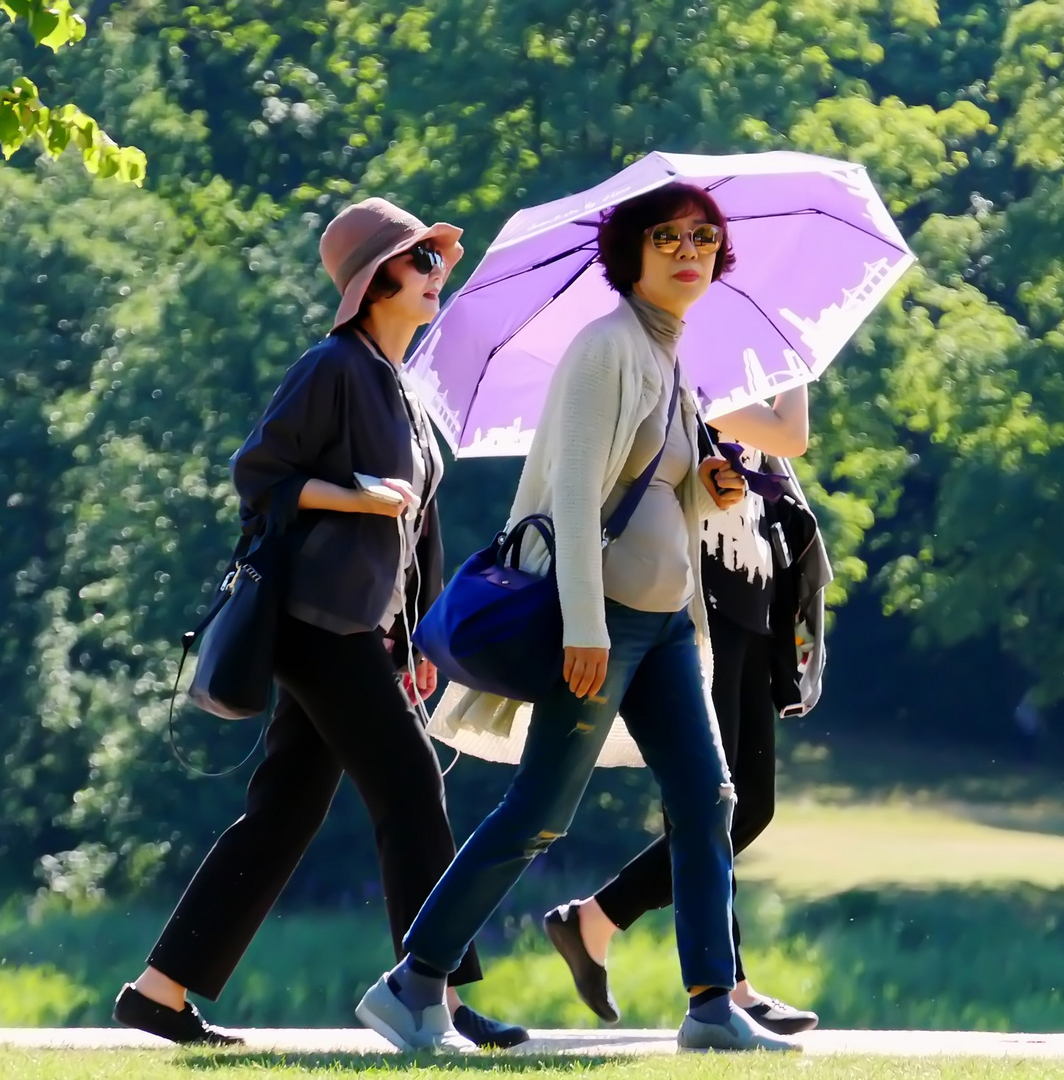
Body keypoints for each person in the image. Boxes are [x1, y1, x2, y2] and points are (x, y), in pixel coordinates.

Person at [356, 183, 803, 1054]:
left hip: (666, 622)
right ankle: (411, 987)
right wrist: (585, 626)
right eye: (668, 236)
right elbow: (570, 488)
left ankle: (712, 1006)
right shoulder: (606, 347)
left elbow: (652, 479)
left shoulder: (668, 352)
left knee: (706, 799)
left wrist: (702, 484)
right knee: (538, 811)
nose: (689, 250)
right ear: (630, 252)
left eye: (704, 238)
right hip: (604, 623)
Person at [111, 197, 525, 1050]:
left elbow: (415, 535)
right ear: (376, 280)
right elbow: (260, 472)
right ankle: (429, 998)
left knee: (285, 812)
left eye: (436, 261)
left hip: (362, 629)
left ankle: (159, 989)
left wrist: (418, 640)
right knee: (411, 787)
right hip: (316, 622)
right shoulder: (332, 367)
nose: (435, 273)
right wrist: (352, 494)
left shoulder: (399, 386)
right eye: (419, 262)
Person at [541, 384, 826, 1034]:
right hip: (701, 603)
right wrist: (792, 369)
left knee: (751, 804)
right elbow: (790, 436)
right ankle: (728, 987)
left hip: (751, 597)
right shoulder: (693, 368)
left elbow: (776, 451)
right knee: (710, 801)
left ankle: (594, 919)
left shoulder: (748, 365)